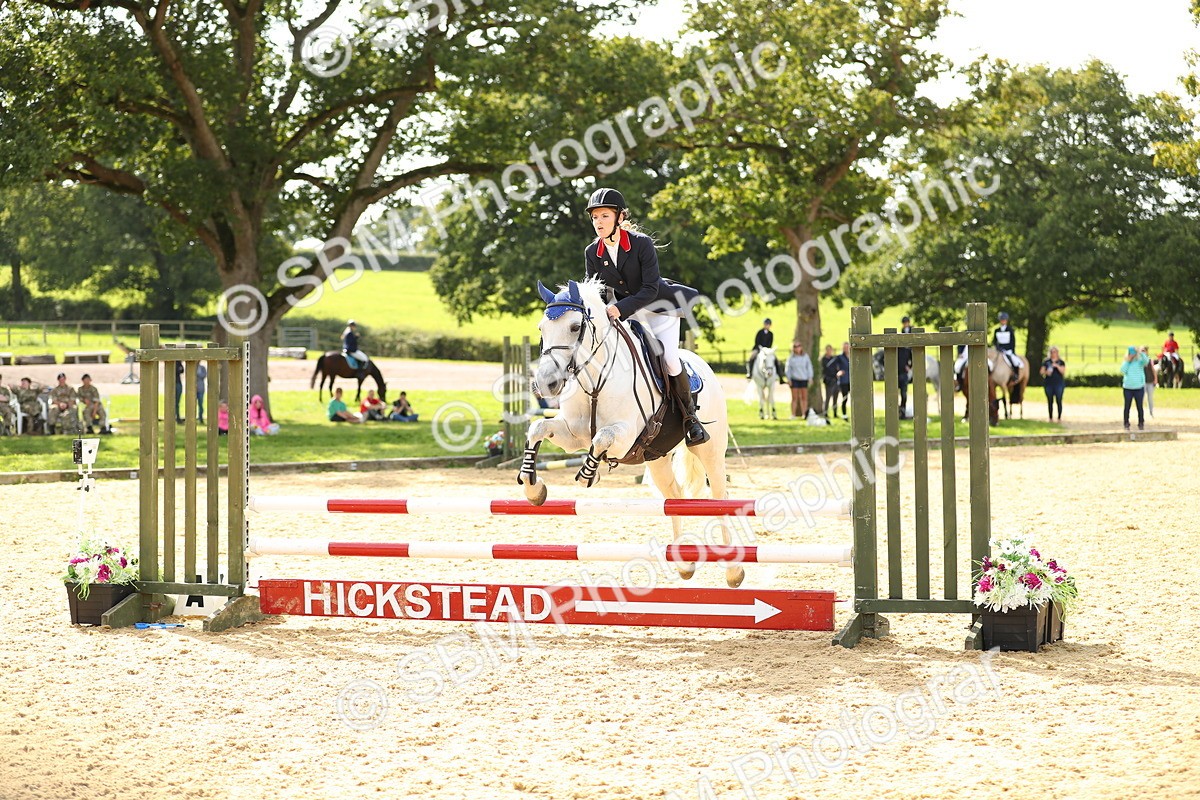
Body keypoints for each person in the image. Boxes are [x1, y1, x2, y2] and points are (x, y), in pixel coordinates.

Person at [583, 186, 708, 446]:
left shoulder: (641, 244)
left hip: (659, 308)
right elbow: (597, 291)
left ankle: (690, 419)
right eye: (595, 217)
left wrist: (619, 308)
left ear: (619, 217)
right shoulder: (592, 252)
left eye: (604, 216)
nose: (598, 222)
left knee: (670, 360)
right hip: (629, 313)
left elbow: (650, 289)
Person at [1120, 345, 1150, 431]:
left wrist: (1141, 352)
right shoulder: (1126, 362)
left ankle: (1141, 423)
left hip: (1138, 387)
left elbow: (1146, 361)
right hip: (1128, 388)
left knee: (1139, 406)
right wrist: (1128, 361)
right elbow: (1122, 370)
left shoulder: (1140, 362)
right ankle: (1126, 423)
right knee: (1127, 406)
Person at [784, 342, 813, 419]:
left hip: (804, 379)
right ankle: (793, 414)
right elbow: (788, 369)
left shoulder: (805, 357)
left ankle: (804, 414)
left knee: (804, 397)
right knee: (794, 398)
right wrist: (789, 378)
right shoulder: (791, 358)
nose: (797, 348)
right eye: (795, 347)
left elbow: (809, 367)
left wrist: (810, 377)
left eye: (799, 346)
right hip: (794, 379)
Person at [1041, 347, 1066, 421]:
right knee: (1050, 400)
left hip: (1058, 383)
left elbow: (1063, 372)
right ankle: (1050, 417)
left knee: (1059, 400)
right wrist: (1046, 372)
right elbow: (1041, 371)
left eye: (1055, 352)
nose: (1053, 354)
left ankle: (1059, 417)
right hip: (1049, 383)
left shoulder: (1061, 362)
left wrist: (1057, 366)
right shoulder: (1046, 362)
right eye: (1052, 352)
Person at [897, 316, 914, 420]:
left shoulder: (911, 329)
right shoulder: (902, 331)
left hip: (904, 372)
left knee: (904, 393)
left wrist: (910, 366)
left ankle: (903, 411)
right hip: (898, 371)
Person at [820, 344, 840, 422]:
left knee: (836, 397)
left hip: (835, 380)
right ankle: (825, 412)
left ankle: (835, 412)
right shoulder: (823, 360)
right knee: (828, 397)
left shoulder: (834, 359)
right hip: (828, 381)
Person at [835, 342, 852, 419]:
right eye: (844, 347)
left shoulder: (852, 356)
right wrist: (838, 372)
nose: (846, 349)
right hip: (844, 381)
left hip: (852, 380)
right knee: (845, 398)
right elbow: (834, 366)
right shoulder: (839, 357)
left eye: (847, 347)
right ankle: (844, 414)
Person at [1142, 346, 1157, 418]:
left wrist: (1155, 379)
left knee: (1150, 398)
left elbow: (1153, 370)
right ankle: (1141, 412)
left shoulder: (1149, 360)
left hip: (1150, 381)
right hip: (1142, 382)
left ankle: (1151, 412)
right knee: (1141, 398)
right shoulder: (1139, 360)